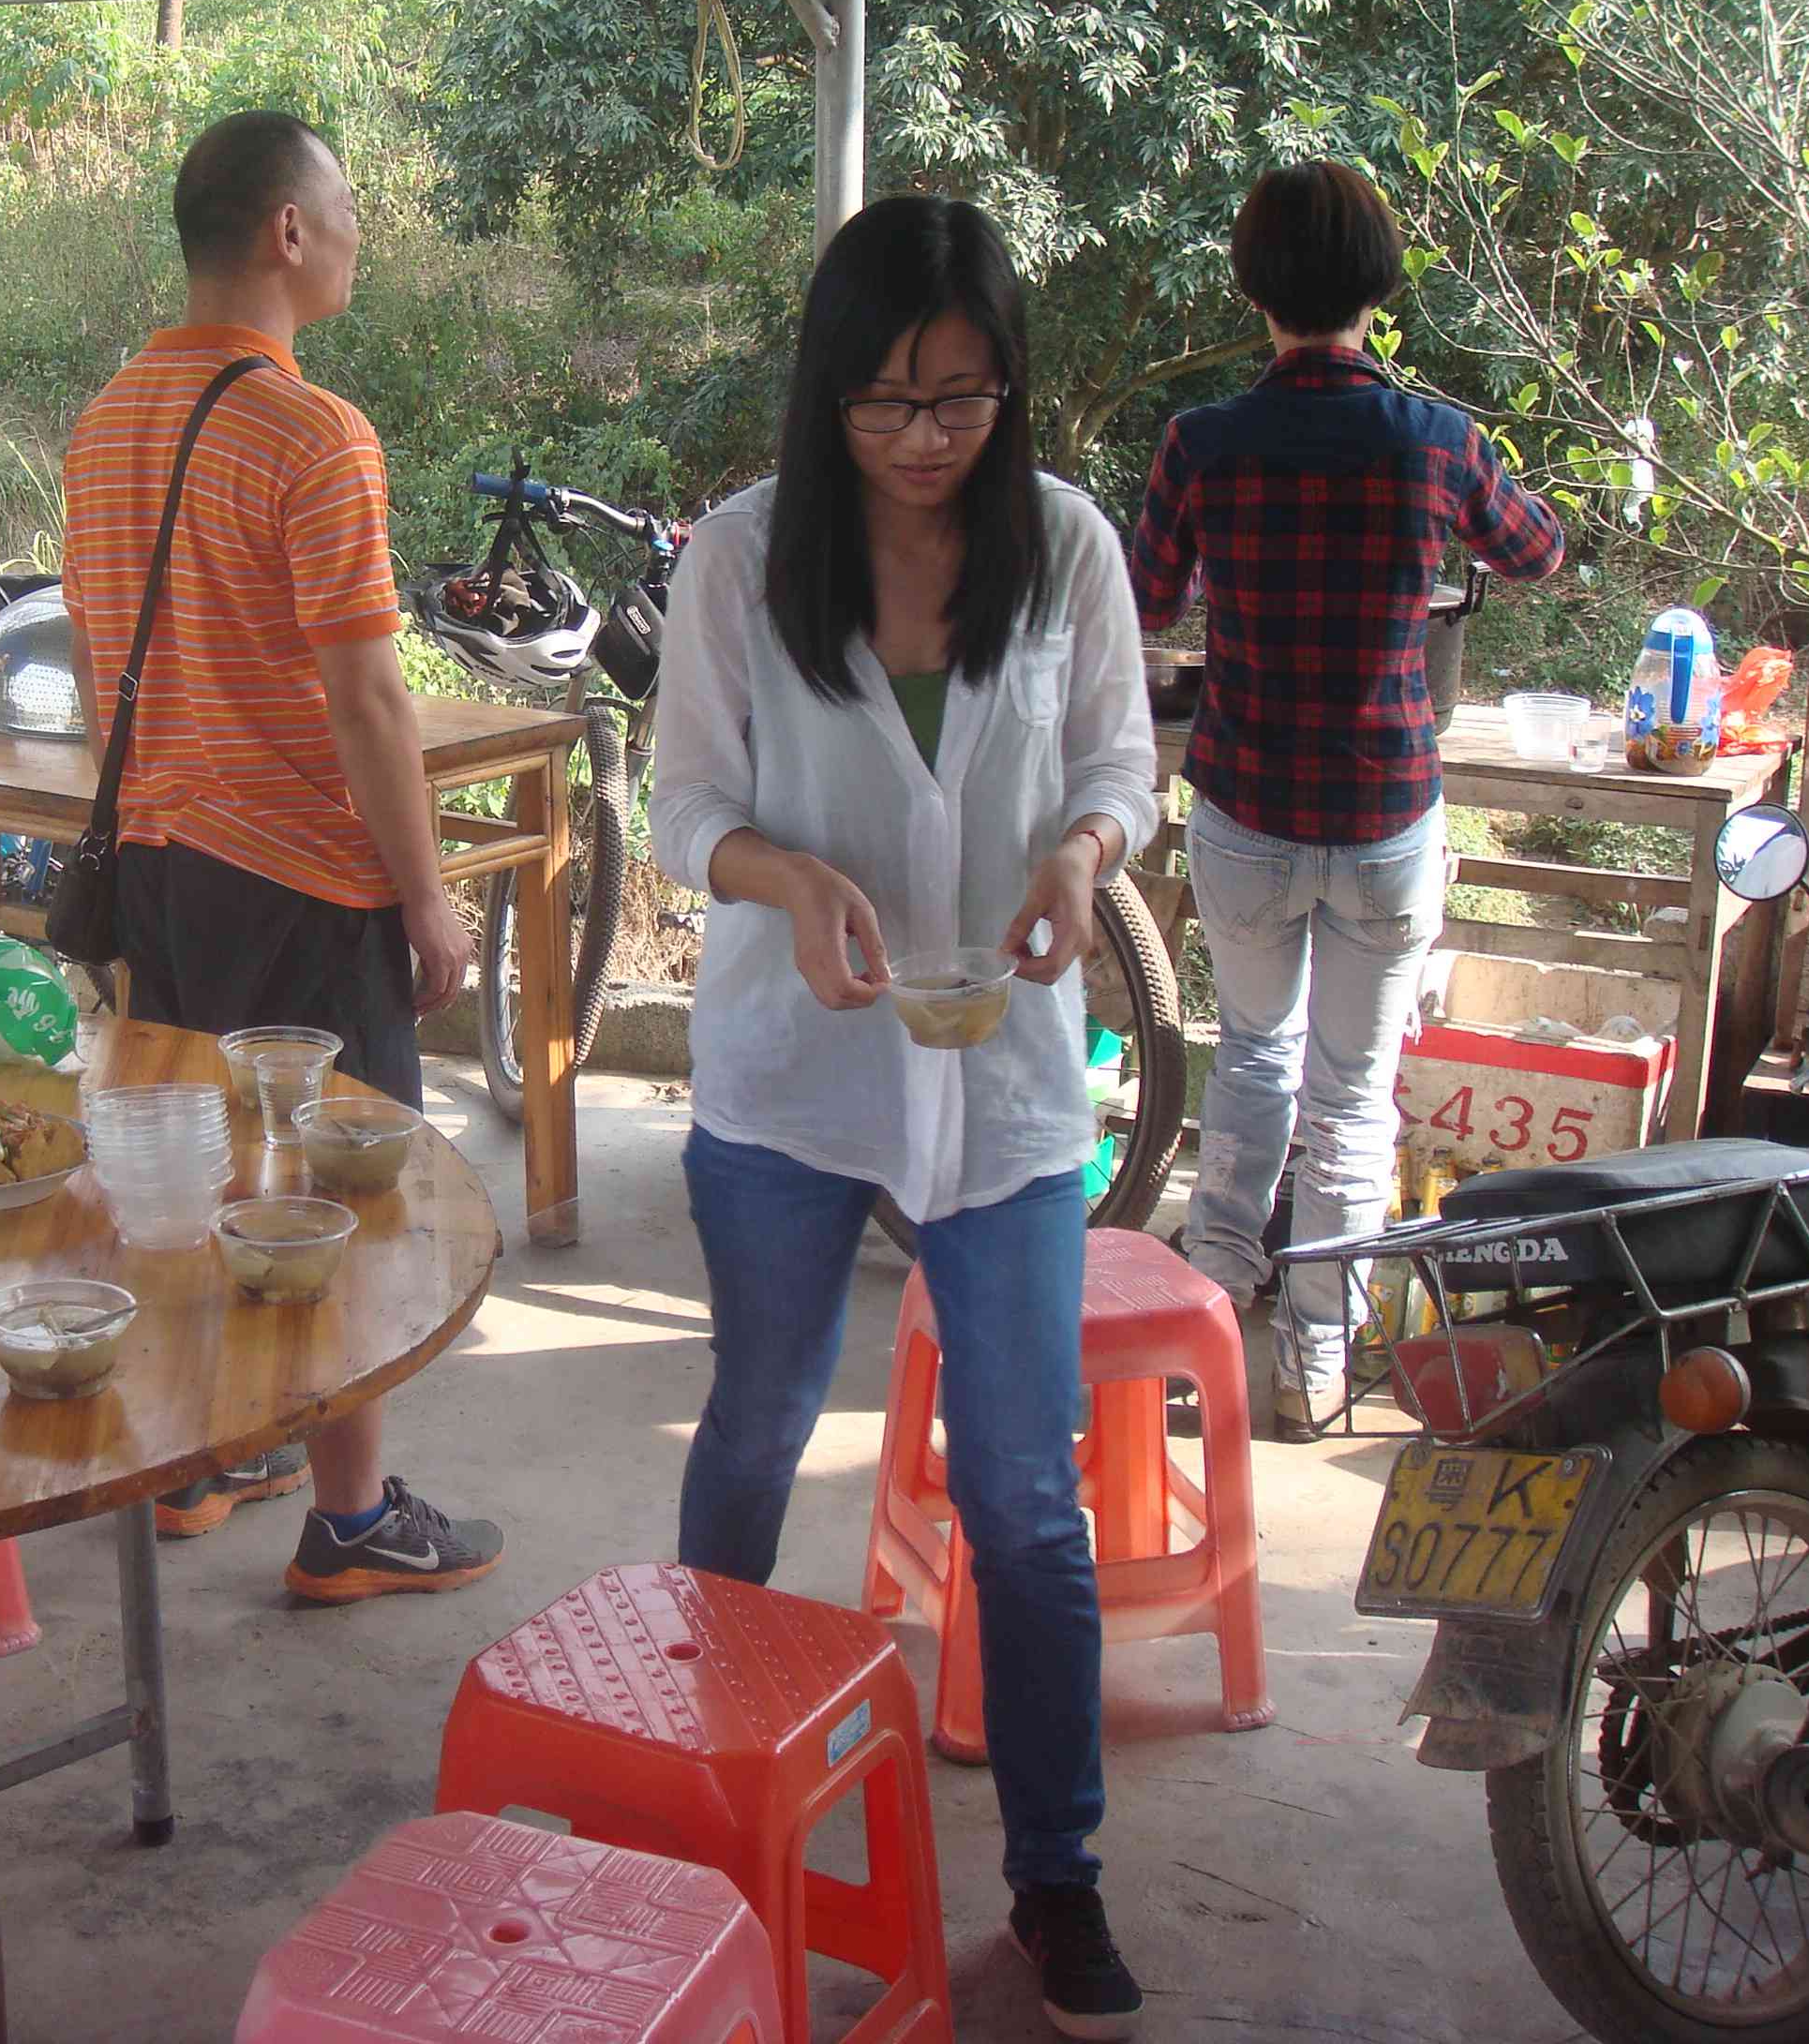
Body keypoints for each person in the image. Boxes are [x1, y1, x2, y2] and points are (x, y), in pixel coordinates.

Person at [649, 194, 1158, 2040]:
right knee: (760, 1422)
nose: (925, 436)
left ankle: (1057, 1872)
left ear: (1009, 387)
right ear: (827, 391)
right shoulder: (742, 556)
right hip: (795, 1069)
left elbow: (1118, 760)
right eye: (884, 400)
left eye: (960, 397)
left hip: (1004, 1080)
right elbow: (681, 806)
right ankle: (687, 1792)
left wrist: (1086, 855)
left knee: (1023, 1497)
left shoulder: (1067, 545)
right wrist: (785, 879)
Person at [57, 111, 501, 1604]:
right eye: (348, 204)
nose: (363, 232)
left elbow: (111, 661)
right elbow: (366, 695)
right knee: (335, 1192)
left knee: (197, 1168)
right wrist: (428, 896)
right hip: (304, 881)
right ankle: (352, 1517)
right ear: (288, 232)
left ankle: (208, 1456)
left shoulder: (107, 422)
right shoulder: (316, 434)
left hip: (160, 869)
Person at [1130, 161, 1564, 1435]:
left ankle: (1208, 1319)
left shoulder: (1203, 442)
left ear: (1254, 286)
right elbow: (1538, 551)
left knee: (1254, 1056)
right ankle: (1317, 1362)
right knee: (1354, 1093)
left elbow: (1145, 601)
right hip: (1385, 817)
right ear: (1378, 286)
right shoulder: (1438, 440)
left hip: (1247, 808)